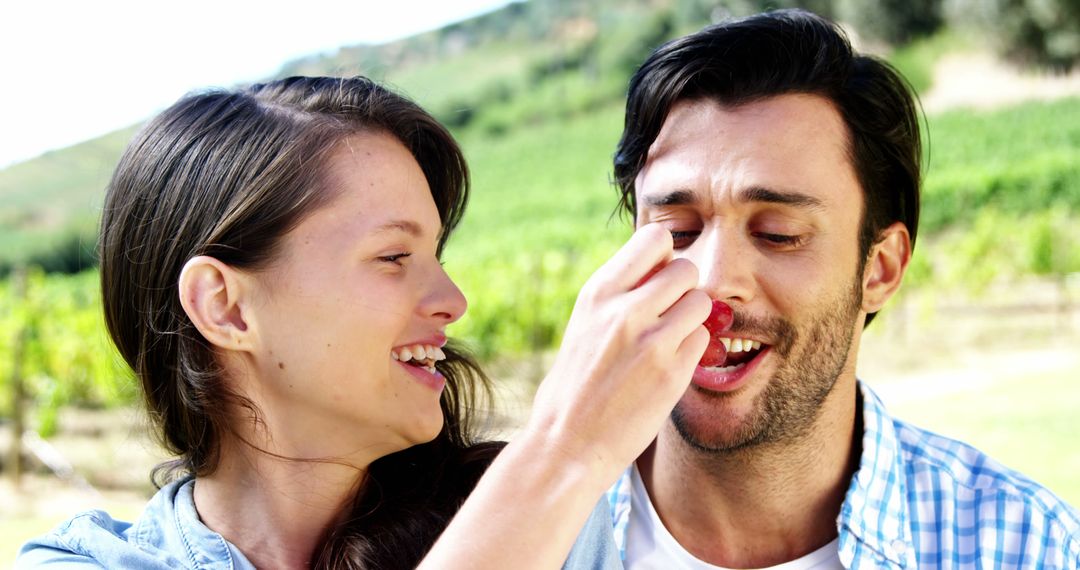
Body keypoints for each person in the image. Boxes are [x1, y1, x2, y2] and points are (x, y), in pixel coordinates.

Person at [18, 76, 710, 569]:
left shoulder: (567, 526)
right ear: (225, 307)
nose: (452, 299)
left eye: (436, 254)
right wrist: (560, 451)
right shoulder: (86, 562)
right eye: (393, 256)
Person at [601, 8, 1080, 569]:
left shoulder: (1030, 549)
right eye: (677, 231)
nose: (710, 281)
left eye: (778, 235)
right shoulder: (523, 531)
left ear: (879, 269)